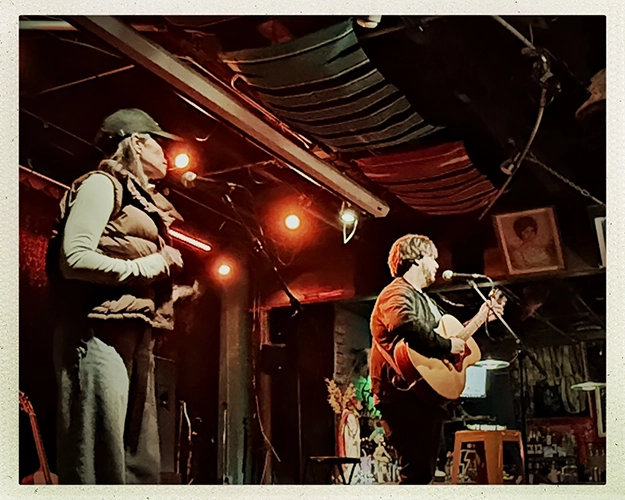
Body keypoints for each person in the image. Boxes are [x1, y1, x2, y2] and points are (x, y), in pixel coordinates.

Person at [46, 108, 187, 484]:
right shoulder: (101, 184)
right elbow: (74, 259)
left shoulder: (140, 201)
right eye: (158, 143)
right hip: (95, 334)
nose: (166, 154)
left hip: (131, 335)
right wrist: (151, 265)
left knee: (134, 463)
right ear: (137, 143)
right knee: (97, 458)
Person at [369, 234, 503, 484]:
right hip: (402, 396)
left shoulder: (424, 300)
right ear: (417, 259)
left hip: (421, 397)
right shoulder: (396, 292)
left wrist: (482, 317)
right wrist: (447, 345)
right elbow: (405, 324)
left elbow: (449, 338)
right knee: (415, 475)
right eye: (433, 258)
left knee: (423, 474)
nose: (438, 265)